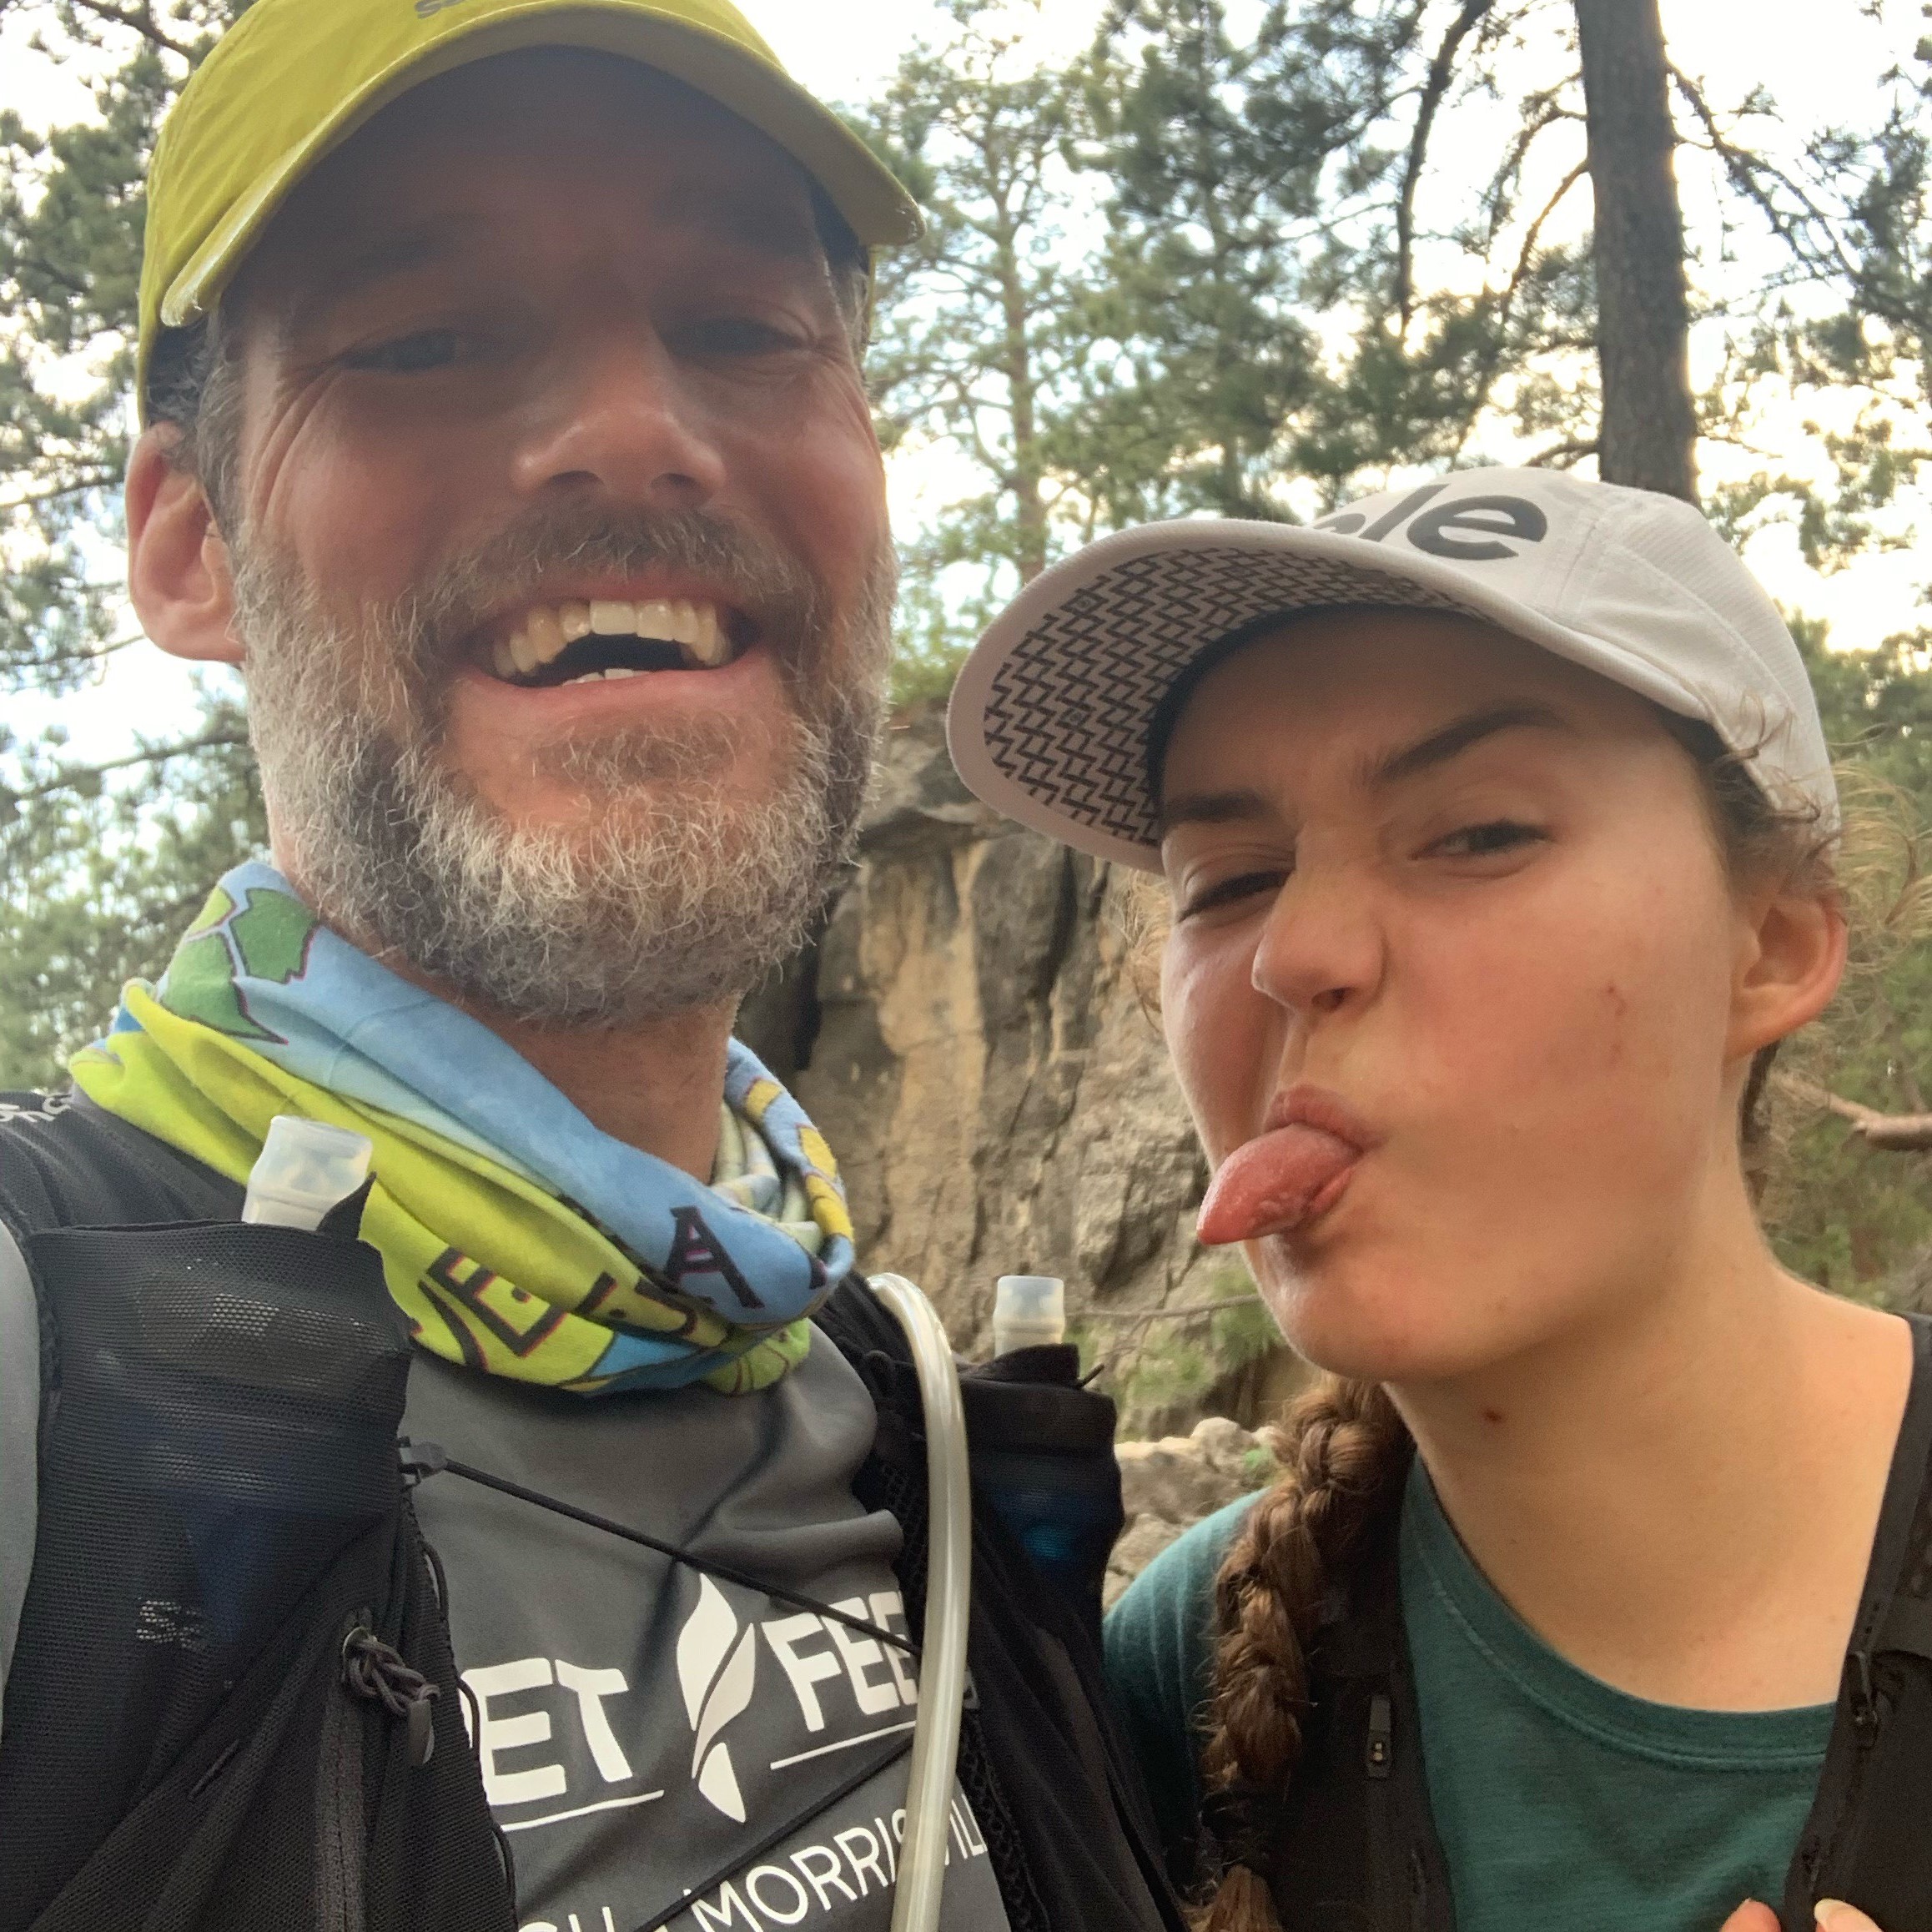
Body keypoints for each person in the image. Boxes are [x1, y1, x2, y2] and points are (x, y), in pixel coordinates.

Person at [0, 6, 1183, 1930]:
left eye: (743, 327)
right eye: (427, 341)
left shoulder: (936, 1433)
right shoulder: (44, 1363)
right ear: (188, 541)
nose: (636, 428)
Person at [945, 469, 1929, 1932]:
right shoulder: (1180, 1678)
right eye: (1229, 878)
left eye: (1477, 834)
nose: (1298, 951)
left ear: (1774, 944)